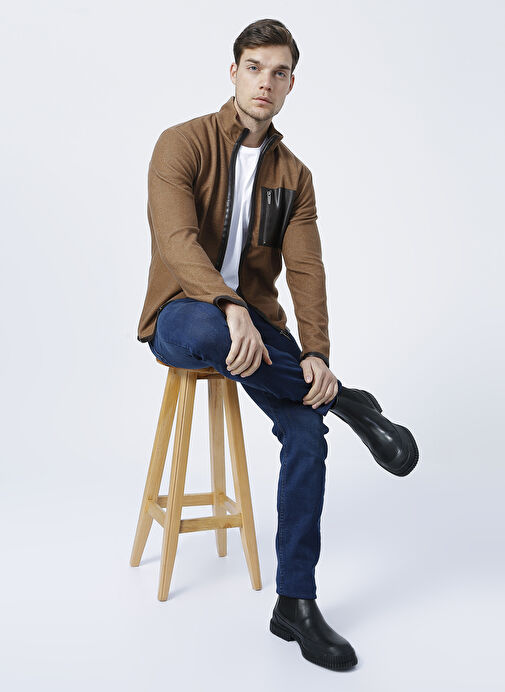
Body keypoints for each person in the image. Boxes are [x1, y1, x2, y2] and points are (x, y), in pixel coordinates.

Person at [137, 18, 419, 672]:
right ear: (233, 72)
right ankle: (351, 405)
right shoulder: (180, 143)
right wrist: (228, 304)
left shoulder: (295, 175)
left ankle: (295, 602)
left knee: (306, 432)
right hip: (184, 315)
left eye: (279, 72)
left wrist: (315, 354)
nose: (265, 82)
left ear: (292, 84)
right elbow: (176, 241)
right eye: (254, 67)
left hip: (261, 332)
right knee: (209, 328)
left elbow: (306, 270)